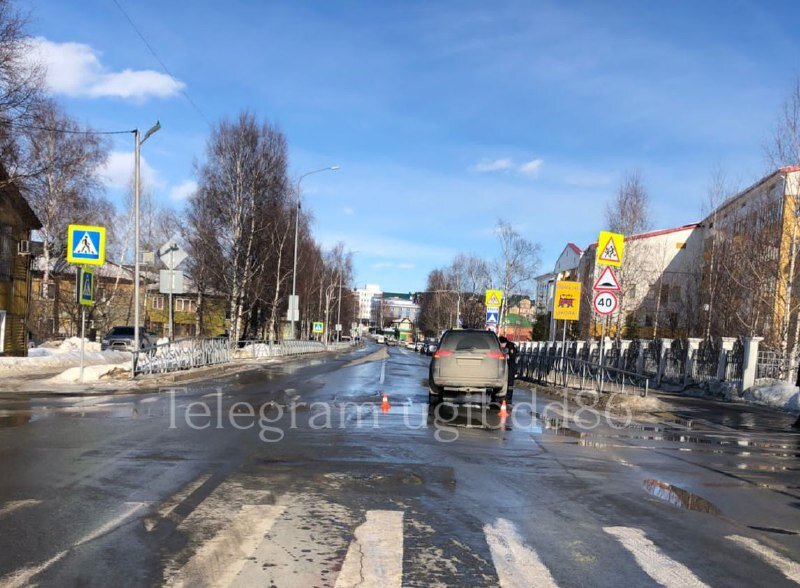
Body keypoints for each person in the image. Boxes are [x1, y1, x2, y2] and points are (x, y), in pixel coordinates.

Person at [498, 335, 517, 404]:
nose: (500, 346)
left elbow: (513, 356)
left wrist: (507, 356)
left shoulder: (511, 346)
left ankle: (508, 397)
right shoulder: (502, 346)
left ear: (503, 343)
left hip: (510, 366)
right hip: (503, 366)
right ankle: (501, 396)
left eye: (501, 344)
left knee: (510, 382)